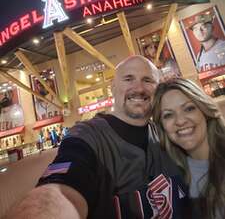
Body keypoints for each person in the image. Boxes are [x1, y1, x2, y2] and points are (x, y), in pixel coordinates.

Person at [6, 56, 190, 219]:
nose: (138, 88)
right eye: (128, 79)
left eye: (148, 80)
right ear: (113, 87)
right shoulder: (88, 136)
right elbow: (59, 192)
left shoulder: (169, 131)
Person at [152, 78, 225, 219]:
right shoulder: (172, 175)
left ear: (204, 110)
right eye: (168, 115)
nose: (180, 121)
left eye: (189, 108)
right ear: (162, 127)